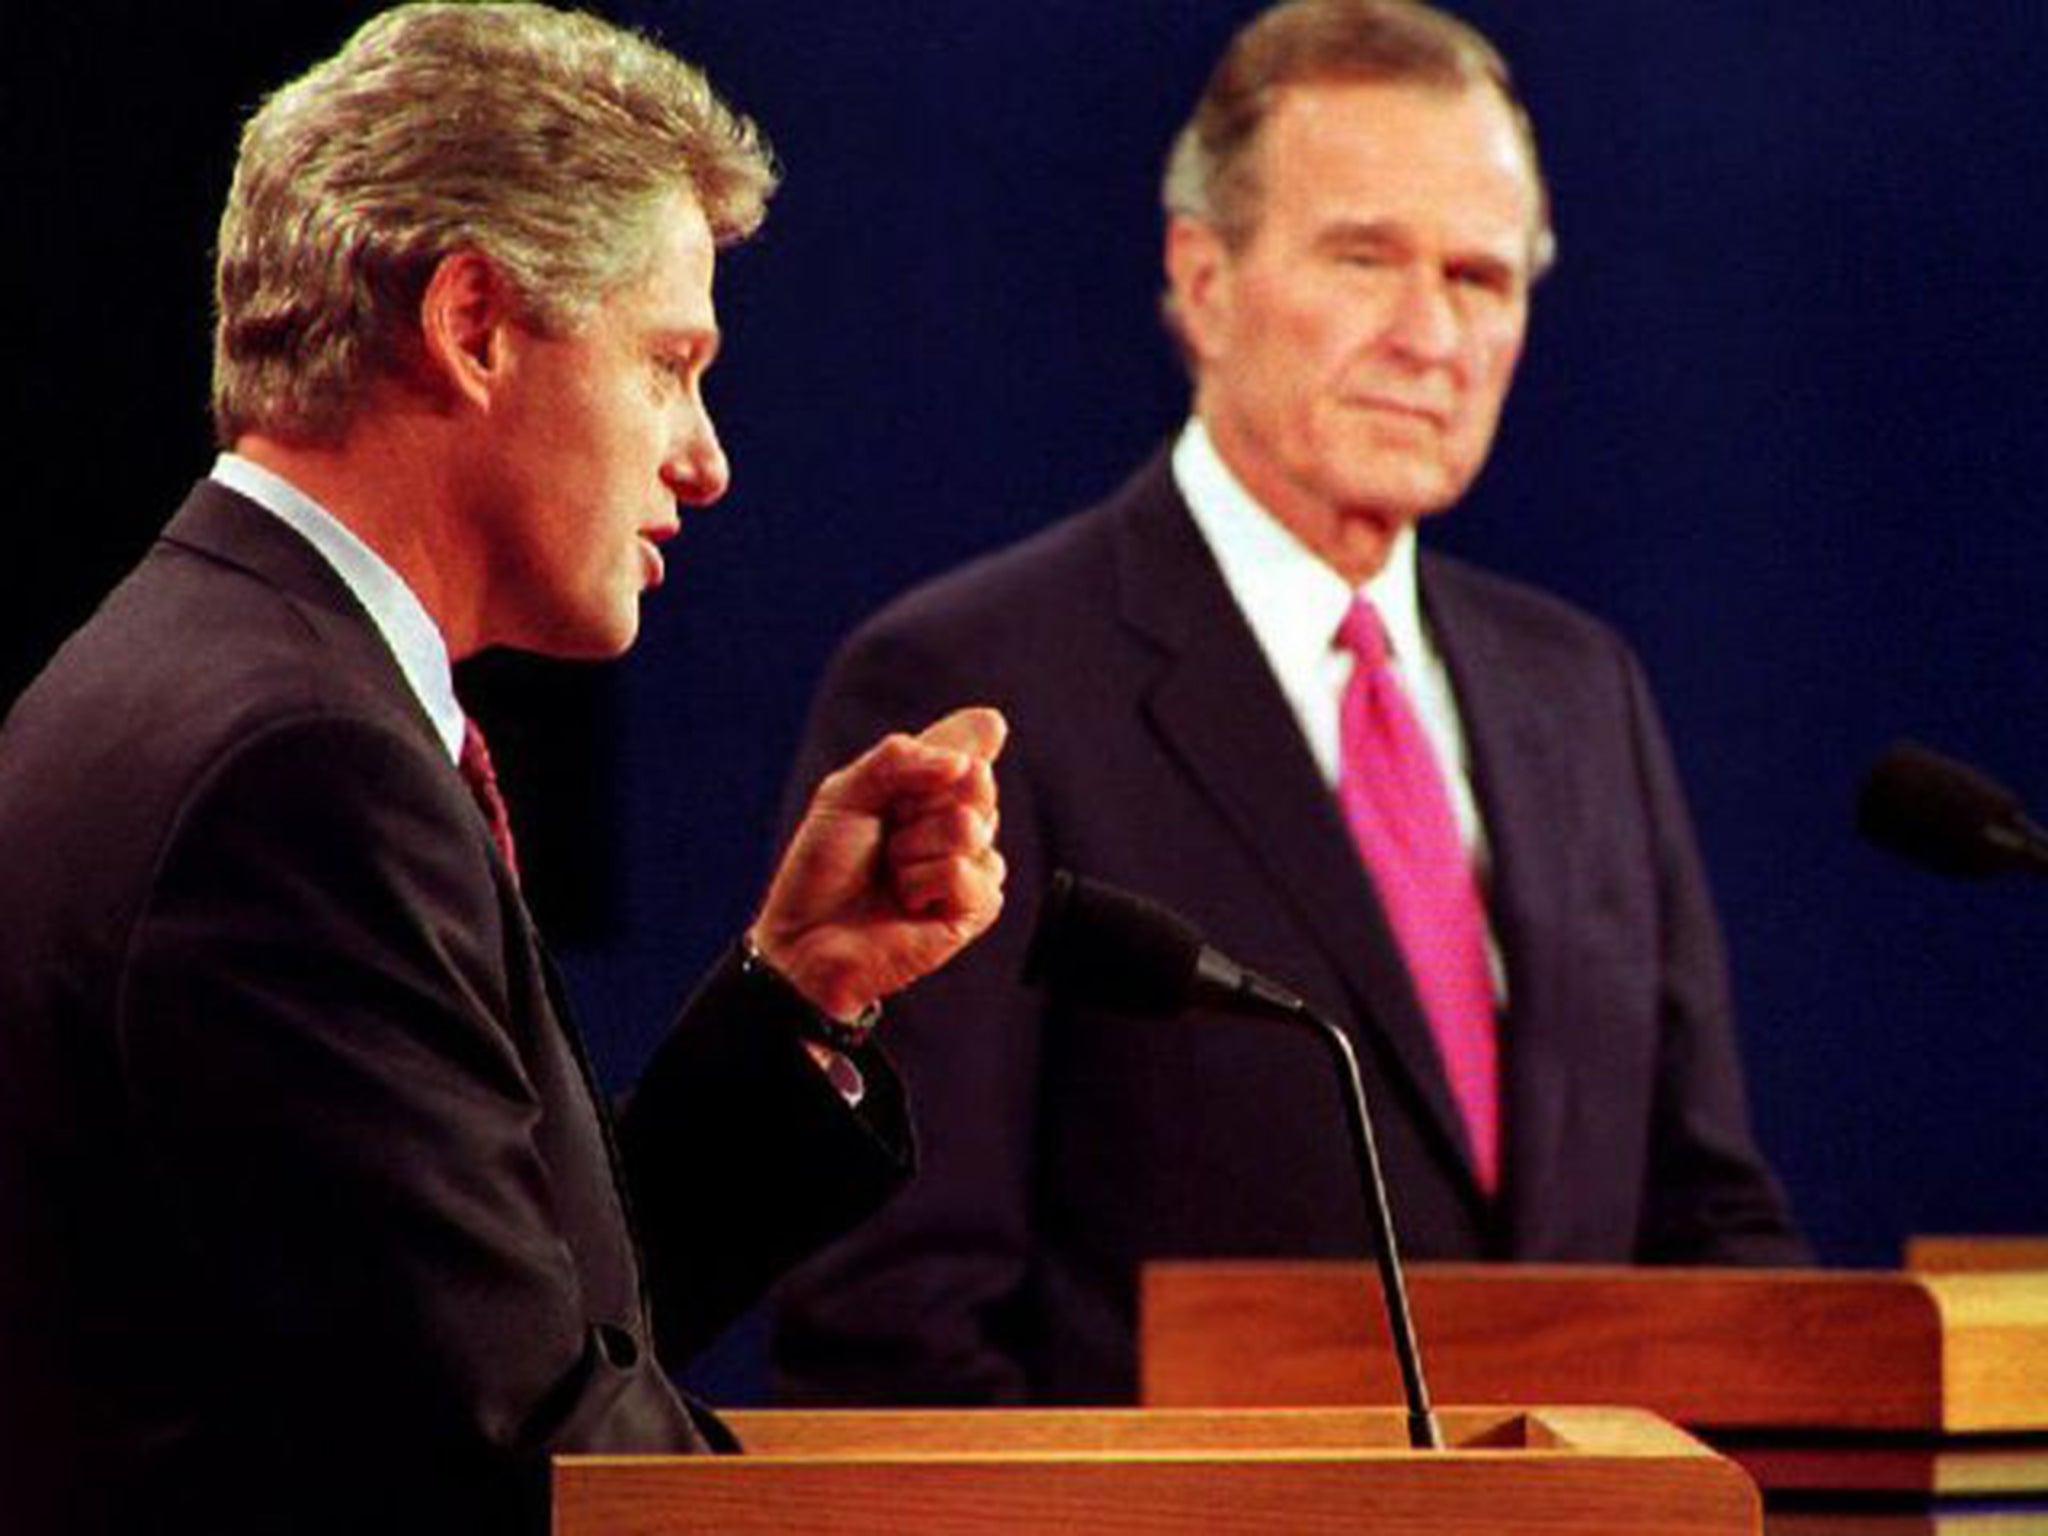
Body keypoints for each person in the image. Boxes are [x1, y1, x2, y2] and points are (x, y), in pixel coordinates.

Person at [0, 7, 1004, 1535]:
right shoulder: (298, 769)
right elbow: (513, 1456)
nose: (707, 455)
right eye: (670, 363)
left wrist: (793, 993)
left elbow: (471, 1332)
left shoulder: (208, 670)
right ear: (473, 325)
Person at [770, 0, 1806, 1409]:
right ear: (1203, 280)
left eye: (1482, 277)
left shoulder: (1584, 695)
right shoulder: (983, 682)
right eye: (1367, 258)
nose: (1432, 333)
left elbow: (1707, 1227)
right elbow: (897, 1319)